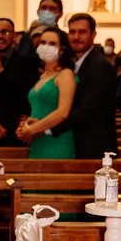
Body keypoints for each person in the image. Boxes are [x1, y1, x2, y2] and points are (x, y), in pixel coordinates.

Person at [46, 13, 118, 159]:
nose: (76, 37)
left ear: (93, 34)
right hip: (72, 141)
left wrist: (46, 128)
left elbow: (85, 109)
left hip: (94, 147)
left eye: (82, 32)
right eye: (72, 32)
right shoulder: (68, 63)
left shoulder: (100, 66)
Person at [0, 18, 40, 147]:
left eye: (5, 32)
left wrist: (1, 70)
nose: (0, 36)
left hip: (16, 134)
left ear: (14, 36)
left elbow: (26, 92)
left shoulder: (28, 63)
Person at [17, 27, 76, 158]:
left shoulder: (65, 74)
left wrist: (31, 129)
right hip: (37, 139)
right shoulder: (43, 76)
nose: (46, 47)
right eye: (43, 42)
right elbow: (40, 108)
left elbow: (62, 112)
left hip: (56, 140)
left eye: (52, 43)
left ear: (62, 50)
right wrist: (26, 125)